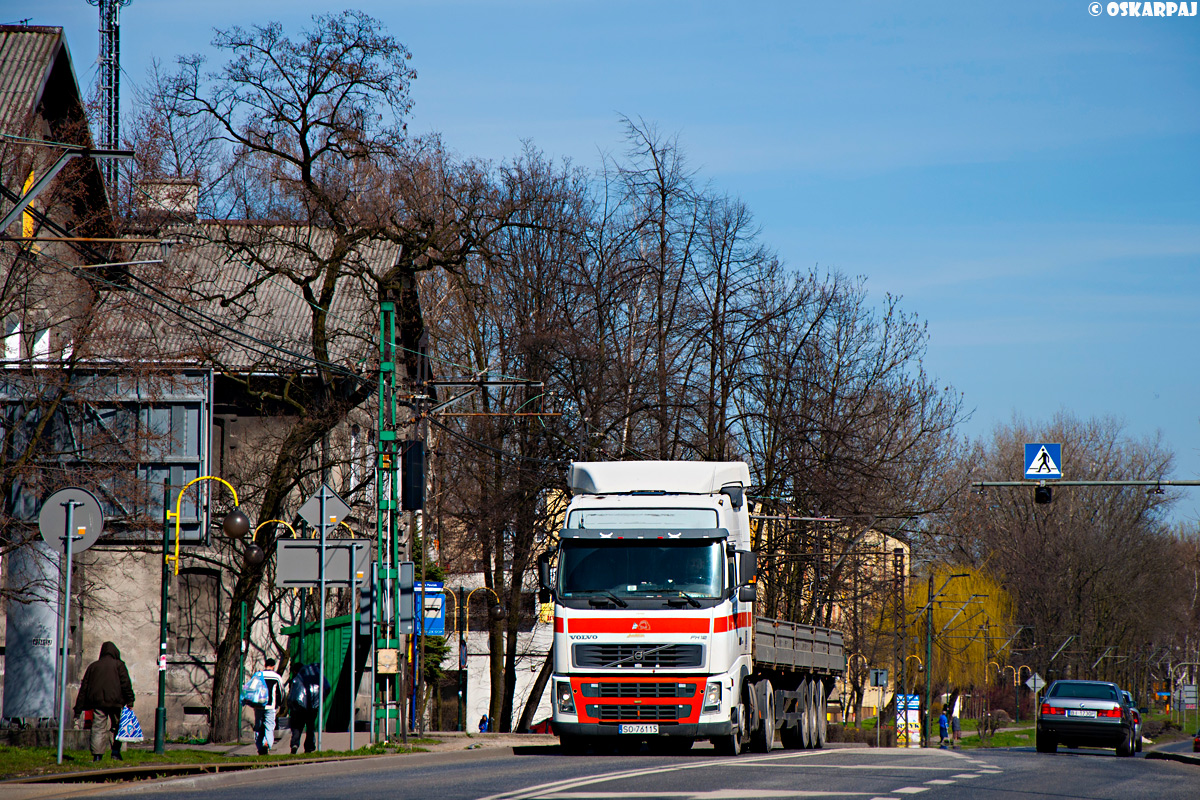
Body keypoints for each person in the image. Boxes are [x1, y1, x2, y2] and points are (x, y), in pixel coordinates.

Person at [73, 642, 135, 762]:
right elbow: (126, 684)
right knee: (117, 726)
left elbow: (83, 689)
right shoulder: (119, 665)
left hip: (98, 704)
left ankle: (97, 756)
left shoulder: (93, 667)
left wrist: (78, 709)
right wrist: (130, 700)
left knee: (98, 728)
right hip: (116, 703)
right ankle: (116, 752)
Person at [287, 662, 328, 754]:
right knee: (310, 727)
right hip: (312, 708)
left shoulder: (296, 679)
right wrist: (319, 702)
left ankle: (294, 744)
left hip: (298, 708)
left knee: (297, 727)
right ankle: (309, 747)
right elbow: (327, 688)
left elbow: (292, 696)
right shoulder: (316, 678)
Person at [253, 658, 284, 755]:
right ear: (274, 666)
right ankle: (267, 744)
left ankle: (259, 746)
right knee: (269, 727)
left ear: (265, 664)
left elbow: (251, 689)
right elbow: (281, 692)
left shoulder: (258, 675)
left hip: (258, 705)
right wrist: (279, 703)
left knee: (258, 727)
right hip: (270, 706)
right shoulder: (276, 677)